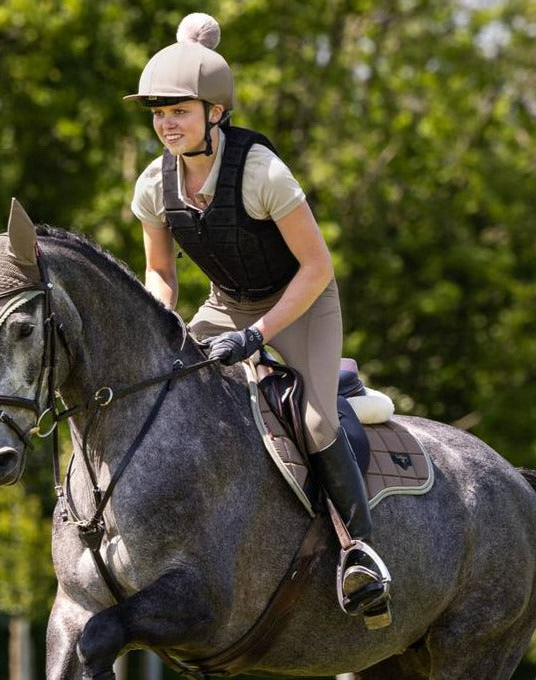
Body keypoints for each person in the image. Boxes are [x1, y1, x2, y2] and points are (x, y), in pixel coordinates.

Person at [126, 13, 390, 625]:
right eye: (158, 113)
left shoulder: (262, 173)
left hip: (300, 303)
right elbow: (161, 275)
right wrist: (161, 326)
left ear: (215, 112)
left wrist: (259, 334)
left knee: (319, 422)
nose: (166, 124)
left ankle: (361, 555)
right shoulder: (150, 186)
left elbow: (317, 267)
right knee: (164, 392)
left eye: (179, 111)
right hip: (224, 305)